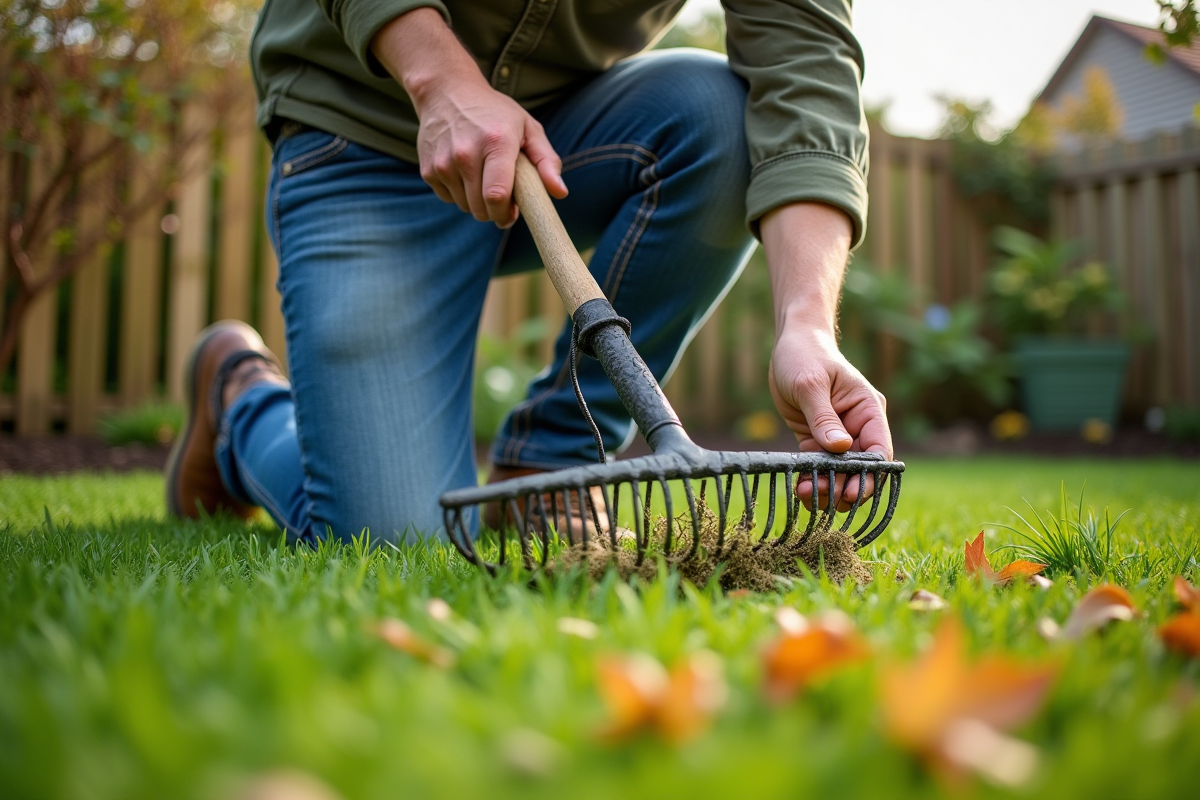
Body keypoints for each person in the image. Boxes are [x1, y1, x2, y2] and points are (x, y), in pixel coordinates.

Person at [165, 0, 893, 546]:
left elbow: (805, 61)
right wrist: (441, 82)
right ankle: (240, 399)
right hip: (363, 134)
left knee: (719, 116)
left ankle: (549, 464)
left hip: (562, 147)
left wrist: (807, 322)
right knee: (392, 538)